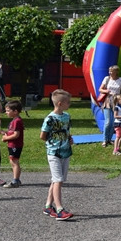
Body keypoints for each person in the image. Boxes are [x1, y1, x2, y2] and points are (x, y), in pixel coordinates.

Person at [41, 89, 74, 220]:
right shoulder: (50, 119)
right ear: (60, 103)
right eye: (68, 102)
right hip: (54, 152)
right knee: (58, 180)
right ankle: (59, 209)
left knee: (57, 180)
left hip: (66, 152)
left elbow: (67, 130)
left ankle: (48, 206)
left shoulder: (66, 116)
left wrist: (68, 138)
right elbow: (42, 136)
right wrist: (54, 141)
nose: (69, 104)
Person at [97, 65, 121, 148]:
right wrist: (107, 91)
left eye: (111, 71)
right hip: (108, 101)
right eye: (109, 71)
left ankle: (109, 139)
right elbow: (100, 89)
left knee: (113, 122)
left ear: (116, 72)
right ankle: (104, 140)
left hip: (117, 101)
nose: (110, 72)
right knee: (108, 122)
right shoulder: (107, 79)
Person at [1, 99, 24, 188]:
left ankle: (16, 180)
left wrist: (6, 138)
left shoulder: (17, 121)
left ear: (15, 111)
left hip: (15, 145)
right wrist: (6, 133)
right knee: (12, 161)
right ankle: (16, 179)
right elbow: (12, 132)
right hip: (12, 144)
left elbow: (16, 135)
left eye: (8, 110)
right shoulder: (14, 120)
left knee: (14, 162)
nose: (6, 112)